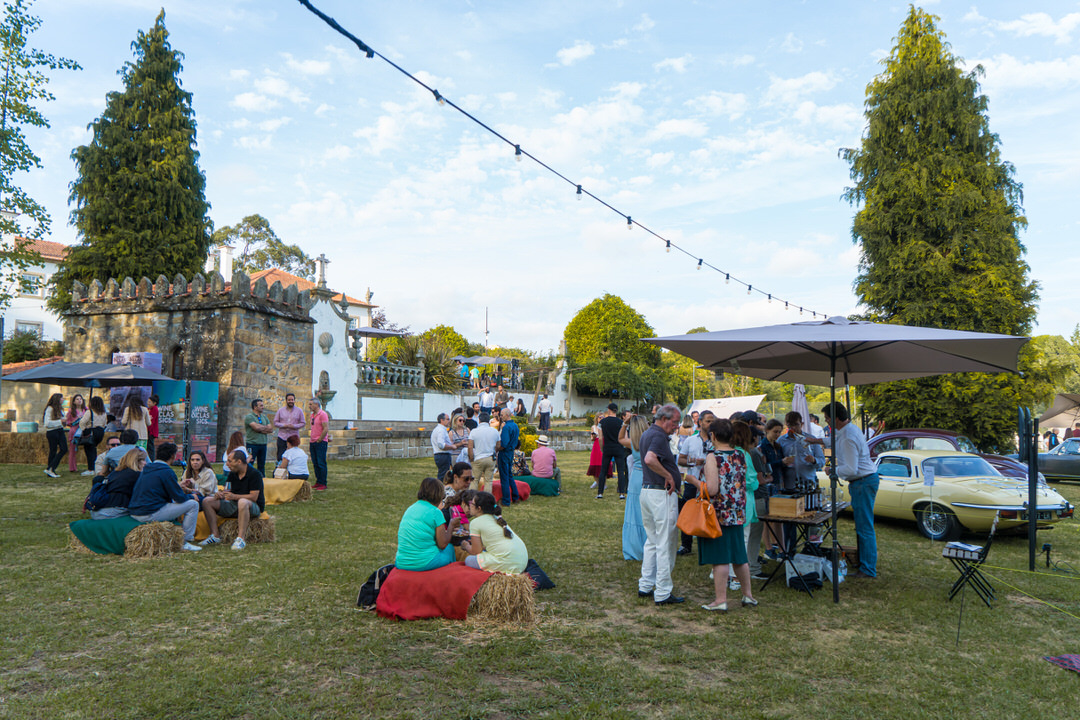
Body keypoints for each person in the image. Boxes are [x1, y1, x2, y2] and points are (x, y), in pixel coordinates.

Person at [687, 418, 757, 612]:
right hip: (737, 512)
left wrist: (693, 480)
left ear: (713, 436)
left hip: (717, 514)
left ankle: (720, 600)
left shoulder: (713, 457)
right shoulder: (740, 454)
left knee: (720, 559)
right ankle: (748, 595)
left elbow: (712, 489)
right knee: (739, 557)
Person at [821, 401, 878, 579]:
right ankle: (866, 564)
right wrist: (815, 440)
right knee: (864, 526)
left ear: (836, 418)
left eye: (827, 418)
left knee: (864, 527)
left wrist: (832, 470)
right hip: (865, 481)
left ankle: (868, 569)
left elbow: (851, 469)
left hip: (862, 482)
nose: (826, 422)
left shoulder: (847, 437)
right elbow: (834, 440)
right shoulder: (849, 430)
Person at [638, 403, 685, 606]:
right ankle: (663, 591)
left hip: (648, 491)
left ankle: (646, 584)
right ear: (664, 419)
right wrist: (669, 476)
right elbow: (650, 459)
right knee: (665, 543)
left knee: (652, 541)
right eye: (675, 422)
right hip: (661, 494)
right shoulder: (658, 436)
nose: (677, 426)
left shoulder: (648, 433)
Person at [128, 442, 202, 552]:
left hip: (135, 511)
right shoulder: (166, 471)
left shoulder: (148, 468)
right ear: (173, 456)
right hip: (149, 513)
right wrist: (191, 496)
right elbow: (179, 498)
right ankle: (185, 541)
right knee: (193, 505)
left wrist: (177, 486)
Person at [200, 449, 266, 551]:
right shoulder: (232, 474)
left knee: (242, 502)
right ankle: (215, 536)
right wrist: (220, 494)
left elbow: (254, 497)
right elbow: (227, 490)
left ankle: (240, 539)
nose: (227, 464)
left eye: (230, 461)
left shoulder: (255, 474)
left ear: (239, 462)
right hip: (234, 504)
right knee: (207, 501)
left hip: (252, 506)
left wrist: (234, 496)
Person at [394, 476, 459, 571]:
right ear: (439, 496)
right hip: (424, 562)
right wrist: (451, 525)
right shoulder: (436, 512)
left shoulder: (410, 508)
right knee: (449, 548)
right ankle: (450, 576)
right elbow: (443, 544)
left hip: (401, 562)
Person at [460, 491, 528, 573]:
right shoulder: (497, 518)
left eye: (472, 503)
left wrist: (466, 546)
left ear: (479, 509)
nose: (470, 505)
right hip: (522, 562)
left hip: (508, 563)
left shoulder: (475, 522)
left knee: (469, 560)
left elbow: (475, 551)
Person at [677, 410, 714, 557]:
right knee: (688, 513)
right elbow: (680, 460)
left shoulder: (716, 441)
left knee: (709, 513)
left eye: (713, 421)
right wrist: (692, 461)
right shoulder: (691, 440)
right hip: (693, 481)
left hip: (710, 483)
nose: (710, 424)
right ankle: (686, 545)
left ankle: (708, 544)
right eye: (708, 421)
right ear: (700, 422)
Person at [620, 414, 650, 561]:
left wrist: (625, 424)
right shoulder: (651, 442)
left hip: (636, 478)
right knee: (647, 512)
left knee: (634, 512)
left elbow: (620, 438)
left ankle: (634, 546)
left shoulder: (633, 443)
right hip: (648, 476)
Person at [89, 448, 146, 519]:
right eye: (143, 460)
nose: (145, 463)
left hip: (97, 511)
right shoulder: (136, 475)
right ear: (136, 461)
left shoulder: (115, 473)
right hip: (113, 512)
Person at [777, 411, 825, 494]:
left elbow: (822, 461)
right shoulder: (781, 441)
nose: (793, 428)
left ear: (802, 424)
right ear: (786, 425)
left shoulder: (811, 439)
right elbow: (776, 463)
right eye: (790, 425)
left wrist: (814, 460)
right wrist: (783, 462)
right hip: (789, 486)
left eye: (796, 424)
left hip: (808, 483)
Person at [598, 403, 628, 500]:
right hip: (618, 447)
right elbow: (625, 437)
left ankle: (600, 492)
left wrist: (602, 448)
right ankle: (622, 493)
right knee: (620, 471)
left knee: (603, 470)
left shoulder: (602, 422)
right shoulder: (621, 422)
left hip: (607, 447)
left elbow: (600, 438)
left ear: (609, 410)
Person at [467, 412, 498, 492]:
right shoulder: (494, 431)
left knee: (475, 480)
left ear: (479, 420)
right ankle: (487, 498)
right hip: (490, 458)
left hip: (478, 458)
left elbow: (470, 447)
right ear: (488, 421)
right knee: (488, 481)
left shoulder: (474, 431)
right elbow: (498, 445)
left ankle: (471, 497)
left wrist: (471, 458)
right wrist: (494, 452)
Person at [78, 396, 108, 475]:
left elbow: (82, 422)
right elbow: (105, 424)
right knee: (93, 449)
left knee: (89, 450)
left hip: (91, 431)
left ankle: (91, 469)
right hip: (100, 432)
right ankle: (94, 467)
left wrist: (84, 430)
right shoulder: (104, 413)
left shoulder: (90, 412)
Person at [496, 408, 520, 505]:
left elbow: (504, 444)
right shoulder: (515, 426)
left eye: (501, 415)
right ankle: (515, 496)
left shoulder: (506, 427)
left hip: (504, 453)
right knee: (509, 475)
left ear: (507, 415)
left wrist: (496, 449)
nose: (500, 417)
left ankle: (506, 500)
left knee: (504, 477)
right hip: (511, 452)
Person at [273, 393, 306, 461]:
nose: (291, 401)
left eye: (292, 400)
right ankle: (280, 467)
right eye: (289, 400)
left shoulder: (299, 411)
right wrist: (284, 425)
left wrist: (294, 426)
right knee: (280, 456)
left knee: (293, 456)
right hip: (282, 437)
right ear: (286, 400)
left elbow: (303, 423)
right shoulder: (280, 410)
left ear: (294, 400)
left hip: (293, 437)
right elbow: (275, 423)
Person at [244, 399, 272, 475]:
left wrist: (260, 428)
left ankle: (262, 479)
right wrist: (264, 428)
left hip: (263, 444)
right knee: (249, 463)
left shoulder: (264, 417)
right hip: (252, 444)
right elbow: (256, 428)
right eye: (261, 405)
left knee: (261, 465)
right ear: (255, 407)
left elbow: (270, 429)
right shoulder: (249, 417)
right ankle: (248, 478)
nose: (263, 407)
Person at [42, 393, 67, 478]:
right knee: (53, 451)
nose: (63, 400)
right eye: (62, 398)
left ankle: (51, 468)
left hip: (60, 430)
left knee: (64, 449)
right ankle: (50, 469)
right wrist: (60, 422)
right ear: (57, 399)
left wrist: (64, 422)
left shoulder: (60, 409)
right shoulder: (50, 409)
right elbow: (47, 423)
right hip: (52, 431)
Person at [308, 398, 330, 490]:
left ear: (316, 405)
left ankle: (323, 483)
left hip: (320, 442)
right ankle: (318, 481)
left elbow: (326, 428)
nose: (309, 406)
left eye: (311, 404)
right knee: (315, 463)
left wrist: (320, 439)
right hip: (312, 441)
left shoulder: (323, 414)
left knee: (321, 463)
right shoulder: (312, 415)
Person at [586, 410, 611, 489]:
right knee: (594, 464)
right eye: (600, 417)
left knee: (603, 464)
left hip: (604, 445)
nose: (601, 419)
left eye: (603, 417)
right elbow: (592, 439)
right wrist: (593, 436)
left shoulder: (606, 426)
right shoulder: (593, 427)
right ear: (596, 419)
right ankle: (597, 481)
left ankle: (603, 483)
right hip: (596, 446)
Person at [430, 413, 455, 481]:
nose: (449, 421)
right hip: (443, 455)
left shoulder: (438, 429)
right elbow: (441, 445)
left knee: (443, 474)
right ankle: (439, 487)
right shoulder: (441, 430)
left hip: (440, 455)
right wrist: (451, 447)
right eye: (447, 419)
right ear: (442, 420)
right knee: (443, 476)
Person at [65, 394, 86, 473]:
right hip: (74, 431)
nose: (79, 400)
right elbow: (67, 422)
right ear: (74, 402)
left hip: (84, 431)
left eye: (80, 399)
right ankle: (72, 467)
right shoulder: (71, 411)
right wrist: (74, 421)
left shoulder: (85, 409)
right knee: (73, 450)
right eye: (77, 399)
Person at [146, 394, 160, 460]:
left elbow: (152, 421)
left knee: (150, 447)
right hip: (150, 430)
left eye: (149, 402)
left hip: (151, 431)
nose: (148, 403)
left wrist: (148, 430)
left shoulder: (154, 409)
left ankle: (151, 459)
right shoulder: (149, 409)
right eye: (148, 401)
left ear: (154, 403)